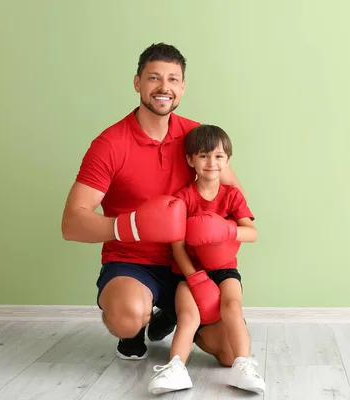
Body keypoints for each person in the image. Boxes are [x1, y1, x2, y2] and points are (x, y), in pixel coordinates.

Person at [61, 43, 244, 370]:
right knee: (126, 315)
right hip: (133, 262)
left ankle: (171, 312)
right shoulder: (110, 144)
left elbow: (233, 195)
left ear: (183, 87)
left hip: (189, 266)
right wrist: (132, 225)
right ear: (137, 83)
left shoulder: (197, 139)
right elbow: (72, 223)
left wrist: (223, 229)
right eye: (154, 78)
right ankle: (133, 333)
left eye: (173, 79)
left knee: (230, 353)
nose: (164, 87)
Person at [147, 125, 265, 394]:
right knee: (188, 316)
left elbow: (252, 232)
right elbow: (176, 247)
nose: (212, 163)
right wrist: (193, 276)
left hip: (224, 271)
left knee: (233, 307)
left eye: (219, 156)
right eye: (203, 156)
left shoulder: (232, 196)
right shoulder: (183, 198)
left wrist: (226, 229)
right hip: (190, 273)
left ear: (228, 160)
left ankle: (244, 365)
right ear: (190, 159)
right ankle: (175, 367)